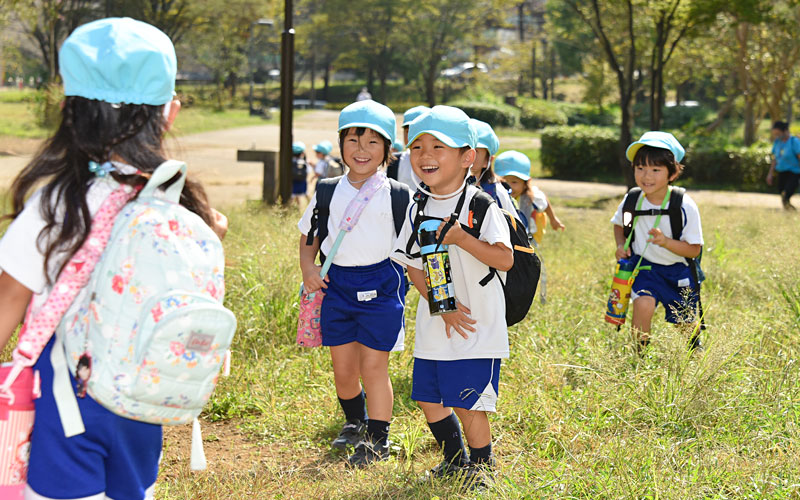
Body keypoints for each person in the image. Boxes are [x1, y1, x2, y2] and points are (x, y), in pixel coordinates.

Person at [0, 17, 226, 500]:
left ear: (69, 110)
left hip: (68, 409)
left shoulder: (57, 206)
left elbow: (6, 305)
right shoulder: (181, 206)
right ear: (169, 113)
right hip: (144, 406)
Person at [391, 106, 513, 486]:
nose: (425, 155)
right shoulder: (417, 206)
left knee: (467, 398)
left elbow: (504, 259)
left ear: (467, 158)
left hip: (476, 322)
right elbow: (412, 265)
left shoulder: (481, 205)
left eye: (438, 147)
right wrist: (441, 305)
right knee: (428, 397)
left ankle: (483, 467)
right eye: (417, 147)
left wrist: (461, 238)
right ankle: (456, 460)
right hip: (437, 320)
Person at [298, 100, 408, 467]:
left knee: (374, 367)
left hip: (382, 286)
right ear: (341, 145)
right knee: (343, 369)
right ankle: (354, 422)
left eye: (373, 142)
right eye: (353, 141)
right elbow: (310, 236)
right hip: (337, 287)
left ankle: (378, 438)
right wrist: (308, 269)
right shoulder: (328, 190)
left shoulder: (397, 194)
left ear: (387, 149)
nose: (362, 150)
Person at [611, 132, 704, 350]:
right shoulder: (632, 200)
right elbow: (619, 225)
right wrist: (620, 245)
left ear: (673, 173)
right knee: (642, 305)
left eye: (655, 170)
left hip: (678, 271)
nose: (647, 176)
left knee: (684, 322)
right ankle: (639, 355)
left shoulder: (684, 205)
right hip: (645, 268)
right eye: (640, 168)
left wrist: (665, 242)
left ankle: (695, 350)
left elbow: (694, 250)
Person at [494, 151, 565, 240]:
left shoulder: (532, 197)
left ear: (525, 183)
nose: (509, 186)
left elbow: (544, 201)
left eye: (514, 182)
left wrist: (553, 219)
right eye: (503, 182)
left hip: (529, 238)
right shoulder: (495, 195)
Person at [468, 119, 516, 213]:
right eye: (462, 149)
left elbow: (513, 222)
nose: (466, 155)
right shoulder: (442, 187)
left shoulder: (497, 193)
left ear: (488, 161)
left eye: (475, 151)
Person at [387, 105, 429, 188]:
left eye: (419, 132)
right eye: (408, 131)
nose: (413, 137)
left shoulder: (444, 162)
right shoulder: (395, 162)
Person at [767, 121, 800, 210]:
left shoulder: (794, 141)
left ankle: (790, 211)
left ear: (785, 131)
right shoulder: (777, 142)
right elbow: (775, 159)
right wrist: (770, 173)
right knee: (782, 193)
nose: (776, 136)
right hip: (782, 171)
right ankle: (790, 210)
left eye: (778, 133)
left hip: (794, 172)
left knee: (787, 193)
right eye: (775, 134)